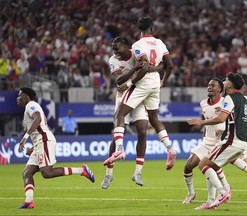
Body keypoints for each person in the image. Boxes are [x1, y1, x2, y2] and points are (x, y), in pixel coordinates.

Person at [105, 16, 177, 171]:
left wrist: (129, 83)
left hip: (142, 84)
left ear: (140, 29)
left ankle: (119, 149)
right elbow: (169, 65)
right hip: (155, 84)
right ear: (152, 28)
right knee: (154, 118)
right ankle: (170, 148)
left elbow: (143, 65)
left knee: (120, 114)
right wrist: (163, 81)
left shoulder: (138, 45)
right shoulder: (160, 43)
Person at [16, 87, 94, 209]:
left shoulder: (30, 105)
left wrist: (24, 138)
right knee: (27, 173)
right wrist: (34, 146)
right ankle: (29, 201)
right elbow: (38, 128)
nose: (18, 98)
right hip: (40, 142)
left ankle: (81, 170)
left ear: (26, 96)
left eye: (20, 95)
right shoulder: (31, 106)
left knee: (46, 173)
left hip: (45, 141)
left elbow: (38, 119)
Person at [187, 72, 247, 209]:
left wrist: (201, 122)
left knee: (203, 164)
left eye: (226, 80)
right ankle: (212, 200)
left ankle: (223, 192)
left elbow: (221, 118)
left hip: (231, 140)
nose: (225, 81)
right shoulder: (244, 99)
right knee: (209, 164)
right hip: (241, 141)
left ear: (229, 84)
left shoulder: (229, 99)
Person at [101, 36, 150, 188]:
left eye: (117, 48)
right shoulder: (113, 60)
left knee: (142, 132)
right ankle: (109, 174)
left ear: (126, 46)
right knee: (116, 138)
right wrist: (135, 68)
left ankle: (138, 172)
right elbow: (119, 81)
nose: (115, 52)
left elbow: (146, 69)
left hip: (139, 95)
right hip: (122, 96)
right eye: (113, 49)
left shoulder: (137, 53)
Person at [183, 78, 232, 207]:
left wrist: (224, 130)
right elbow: (208, 122)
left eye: (212, 85)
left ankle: (218, 194)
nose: (209, 87)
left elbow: (232, 120)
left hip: (220, 142)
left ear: (219, 89)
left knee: (208, 166)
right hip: (206, 142)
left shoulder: (225, 102)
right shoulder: (203, 103)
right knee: (188, 166)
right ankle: (191, 193)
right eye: (208, 85)